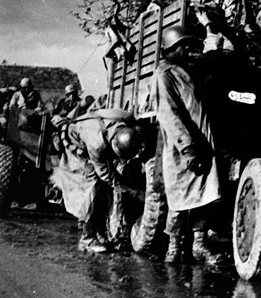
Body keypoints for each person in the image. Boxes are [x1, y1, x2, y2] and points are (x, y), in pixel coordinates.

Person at [154, 24, 222, 264]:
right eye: (183, 46)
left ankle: (199, 245)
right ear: (171, 48)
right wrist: (187, 146)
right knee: (180, 197)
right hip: (182, 148)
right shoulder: (165, 74)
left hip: (201, 144)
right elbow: (170, 114)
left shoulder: (186, 71)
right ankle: (174, 247)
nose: (188, 50)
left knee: (202, 194)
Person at [55, 108, 143, 253]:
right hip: (74, 143)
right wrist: (132, 191)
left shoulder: (126, 117)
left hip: (92, 131)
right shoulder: (97, 144)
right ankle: (87, 239)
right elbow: (106, 175)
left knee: (105, 186)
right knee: (94, 185)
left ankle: (101, 233)